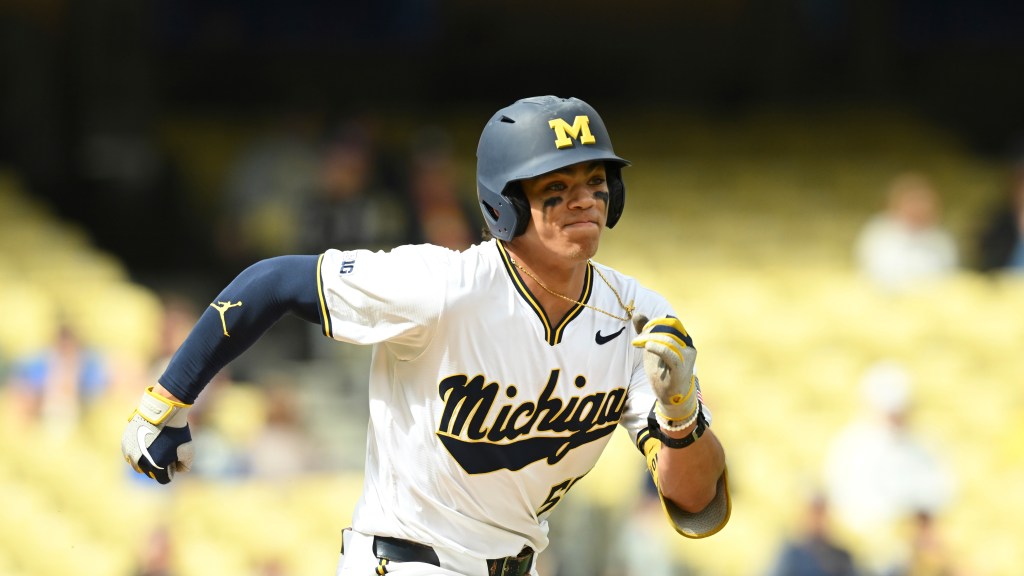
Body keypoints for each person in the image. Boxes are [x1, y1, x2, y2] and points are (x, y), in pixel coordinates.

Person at [120, 96, 731, 576]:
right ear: (505, 206)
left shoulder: (637, 315)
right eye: (556, 189)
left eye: (596, 182)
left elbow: (697, 502)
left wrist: (681, 413)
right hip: (408, 561)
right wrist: (167, 401)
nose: (585, 201)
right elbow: (273, 280)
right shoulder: (443, 286)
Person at [853, 172, 959, 292]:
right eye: (913, 202)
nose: (920, 209)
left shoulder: (941, 239)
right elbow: (876, 272)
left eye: (925, 203)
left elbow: (948, 274)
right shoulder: (881, 233)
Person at [765, 492, 858, 576]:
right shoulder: (792, 556)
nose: (817, 520)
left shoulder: (841, 557)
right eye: (814, 513)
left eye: (821, 513)